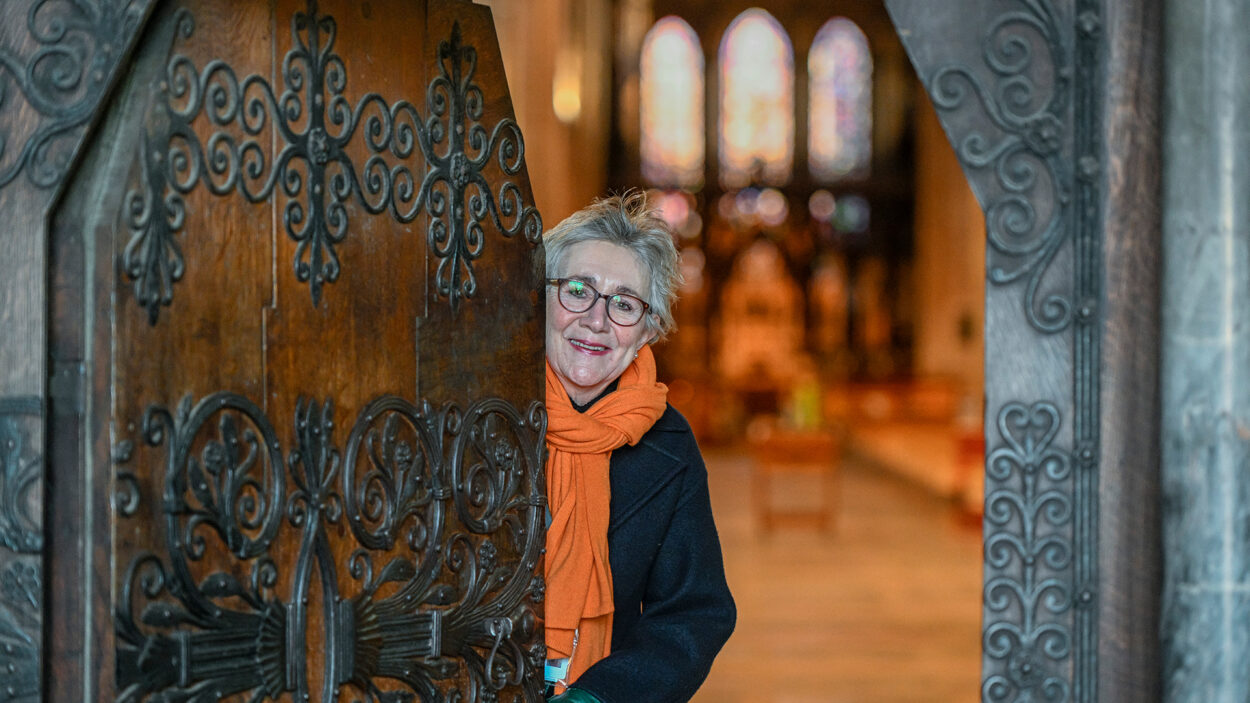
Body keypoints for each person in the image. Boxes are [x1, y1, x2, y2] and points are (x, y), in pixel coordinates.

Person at [542, 192, 735, 703]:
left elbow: (695, 611)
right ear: (537, 297)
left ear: (648, 331)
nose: (597, 320)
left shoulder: (669, 446)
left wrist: (602, 698)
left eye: (624, 304)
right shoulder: (476, 414)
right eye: (578, 290)